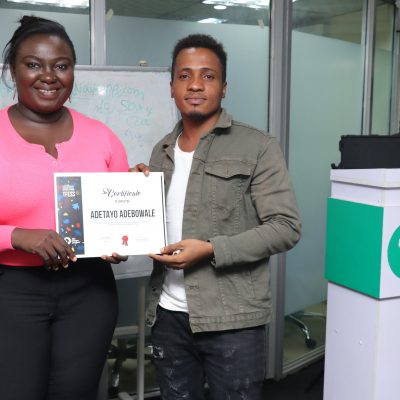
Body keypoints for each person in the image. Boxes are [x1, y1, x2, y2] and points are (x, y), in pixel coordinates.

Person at [137, 34, 302, 400]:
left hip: (233, 321)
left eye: (208, 76)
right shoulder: (160, 151)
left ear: (224, 87)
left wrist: (211, 249)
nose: (195, 85)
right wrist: (128, 203)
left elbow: (286, 228)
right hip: (167, 315)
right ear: (171, 87)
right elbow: (154, 223)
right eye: (184, 76)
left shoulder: (258, 146)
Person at [0, 16, 130, 400]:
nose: (48, 76)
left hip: (89, 291)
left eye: (61, 65)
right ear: (12, 70)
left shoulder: (103, 137)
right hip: (11, 290)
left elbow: (122, 217)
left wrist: (121, 238)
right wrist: (16, 236)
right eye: (33, 64)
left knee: (76, 393)